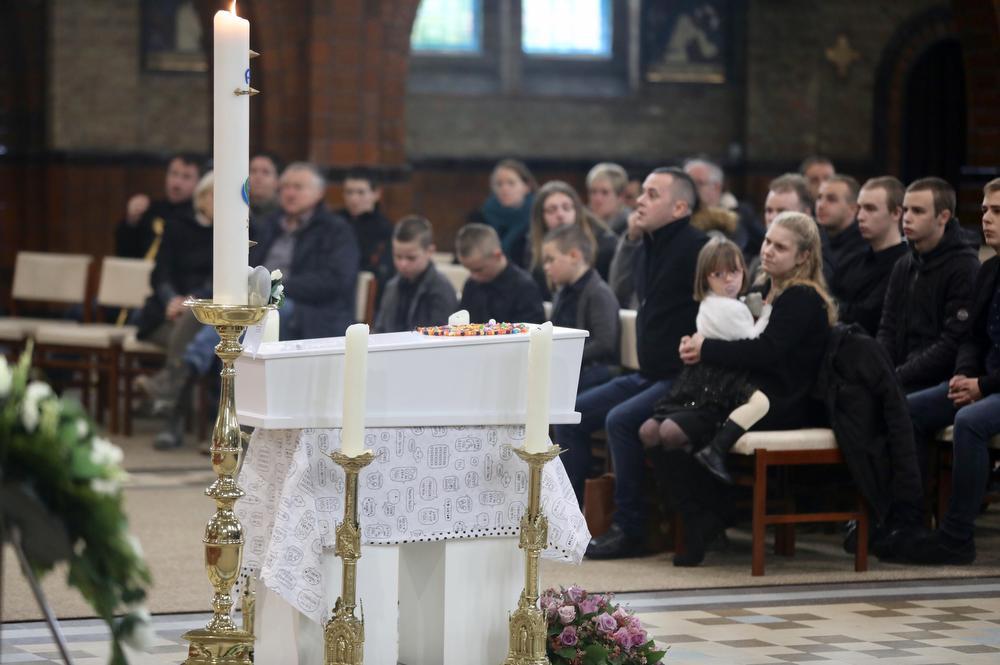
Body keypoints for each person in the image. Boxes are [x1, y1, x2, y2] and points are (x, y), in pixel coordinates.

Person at [662, 212, 837, 566]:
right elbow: (735, 338)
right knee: (652, 430)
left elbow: (765, 352)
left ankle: (710, 517)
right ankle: (707, 516)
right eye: (768, 241)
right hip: (742, 391)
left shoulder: (801, 297)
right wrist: (694, 344)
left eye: (781, 247)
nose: (769, 251)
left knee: (670, 431)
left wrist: (706, 348)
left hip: (777, 401)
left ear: (803, 256)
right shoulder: (761, 289)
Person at [554, 167, 707, 558]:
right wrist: (633, 238)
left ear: (680, 206)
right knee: (571, 412)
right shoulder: (647, 245)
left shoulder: (698, 247)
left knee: (620, 420)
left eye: (652, 195)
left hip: (681, 376)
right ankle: (570, 518)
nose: (639, 201)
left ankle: (630, 527)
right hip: (648, 373)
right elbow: (620, 287)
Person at [904, 177, 1000, 564]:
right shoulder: (990, 269)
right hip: (983, 382)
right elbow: (970, 337)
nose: (987, 219)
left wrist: (981, 385)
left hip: (991, 387)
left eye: (997, 212)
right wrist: (964, 376)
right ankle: (910, 522)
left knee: (970, 422)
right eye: (985, 210)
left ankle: (957, 535)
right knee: (908, 409)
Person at [639, 238, 771, 485]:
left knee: (652, 430)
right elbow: (753, 339)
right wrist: (766, 315)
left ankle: (680, 494)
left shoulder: (714, 302)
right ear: (705, 279)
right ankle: (696, 486)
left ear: (744, 270)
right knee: (664, 431)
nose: (729, 280)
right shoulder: (728, 308)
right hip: (721, 382)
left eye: (734, 271)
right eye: (718, 274)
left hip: (698, 379)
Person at [877, 177, 979, 395]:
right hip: (901, 373)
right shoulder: (904, 264)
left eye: (918, 211)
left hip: (940, 378)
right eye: (905, 210)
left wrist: (897, 376)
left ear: (943, 217)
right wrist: (883, 371)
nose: (907, 218)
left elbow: (953, 342)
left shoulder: (964, 267)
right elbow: (888, 328)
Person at [135, 171, 215, 447]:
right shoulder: (177, 226)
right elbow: (161, 273)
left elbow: (223, 280)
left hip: (206, 315)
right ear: (202, 198)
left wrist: (191, 301)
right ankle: (173, 414)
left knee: (193, 320)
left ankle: (169, 407)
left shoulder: (235, 234)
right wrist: (172, 299)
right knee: (189, 341)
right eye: (216, 195)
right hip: (165, 316)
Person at [251, 162, 361, 339]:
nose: (290, 193)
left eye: (298, 187)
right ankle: (203, 359)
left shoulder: (335, 230)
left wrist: (278, 288)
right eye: (285, 187)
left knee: (271, 312)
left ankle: (215, 359)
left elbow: (337, 280)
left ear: (319, 193)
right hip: (261, 298)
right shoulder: (269, 225)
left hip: (311, 309)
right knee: (227, 306)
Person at [542, 224, 620, 392]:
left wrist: (564, 357)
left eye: (550, 259)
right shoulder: (562, 292)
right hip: (570, 370)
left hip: (595, 372)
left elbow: (605, 344)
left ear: (574, 256)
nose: (546, 267)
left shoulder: (598, 292)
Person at [832, 176, 908, 336]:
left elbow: (865, 317)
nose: (860, 216)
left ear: (896, 213)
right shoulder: (853, 259)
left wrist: (834, 305)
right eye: (859, 208)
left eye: (870, 208)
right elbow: (826, 296)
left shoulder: (905, 264)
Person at [527, 181, 617, 298]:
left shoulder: (605, 245)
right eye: (552, 210)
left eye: (566, 208)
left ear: (577, 211)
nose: (560, 214)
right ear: (540, 218)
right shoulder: (534, 250)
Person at [374, 215, 457, 333]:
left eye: (411, 258)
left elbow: (441, 340)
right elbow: (380, 331)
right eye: (398, 256)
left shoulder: (442, 290)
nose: (403, 264)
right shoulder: (391, 287)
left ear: (429, 252)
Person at [455, 223, 545, 324]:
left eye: (478, 270)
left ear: (497, 255)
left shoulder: (524, 287)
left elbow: (530, 332)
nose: (473, 276)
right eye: (469, 270)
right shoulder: (471, 285)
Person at [115, 154, 201, 258]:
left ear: (199, 182)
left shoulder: (200, 218)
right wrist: (131, 221)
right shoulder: (150, 209)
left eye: (186, 177)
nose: (177, 183)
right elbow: (124, 254)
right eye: (173, 174)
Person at [684, 158, 765, 260]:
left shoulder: (741, 213)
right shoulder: (681, 216)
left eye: (698, 183)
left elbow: (763, 244)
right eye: (687, 183)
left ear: (716, 187)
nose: (691, 188)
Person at [336, 166, 395, 305]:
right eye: (349, 192)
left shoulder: (385, 229)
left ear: (376, 194)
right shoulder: (334, 222)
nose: (354, 198)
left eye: (361, 192)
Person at [468, 159, 537, 267]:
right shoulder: (481, 218)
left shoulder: (537, 218)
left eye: (511, 183)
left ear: (526, 187)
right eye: (499, 184)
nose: (504, 189)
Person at [816, 175, 866, 273]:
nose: (821, 205)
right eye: (819, 197)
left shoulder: (865, 247)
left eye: (831, 199)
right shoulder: (813, 239)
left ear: (853, 208)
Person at [586, 162, 632, 236]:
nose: (597, 199)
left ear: (621, 197)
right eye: (593, 191)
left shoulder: (630, 229)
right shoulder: (582, 224)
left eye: (605, 193)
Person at [248, 152, 282, 233]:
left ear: (278, 180)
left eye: (265, 172)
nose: (258, 177)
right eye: (253, 171)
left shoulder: (285, 214)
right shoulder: (237, 208)